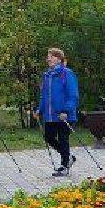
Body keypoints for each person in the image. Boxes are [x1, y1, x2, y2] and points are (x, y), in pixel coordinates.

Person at [38, 47, 80, 178]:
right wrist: (39, 110)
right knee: (49, 137)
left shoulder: (66, 74)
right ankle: (68, 157)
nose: (48, 59)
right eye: (48, 56)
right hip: (50, 115)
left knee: (63, 139)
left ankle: (64, 166)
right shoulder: (47, 75)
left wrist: (66, 110)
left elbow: (73, 95)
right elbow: (44, 95)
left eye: (51, 56)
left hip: (64, 115)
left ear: (59, 59)